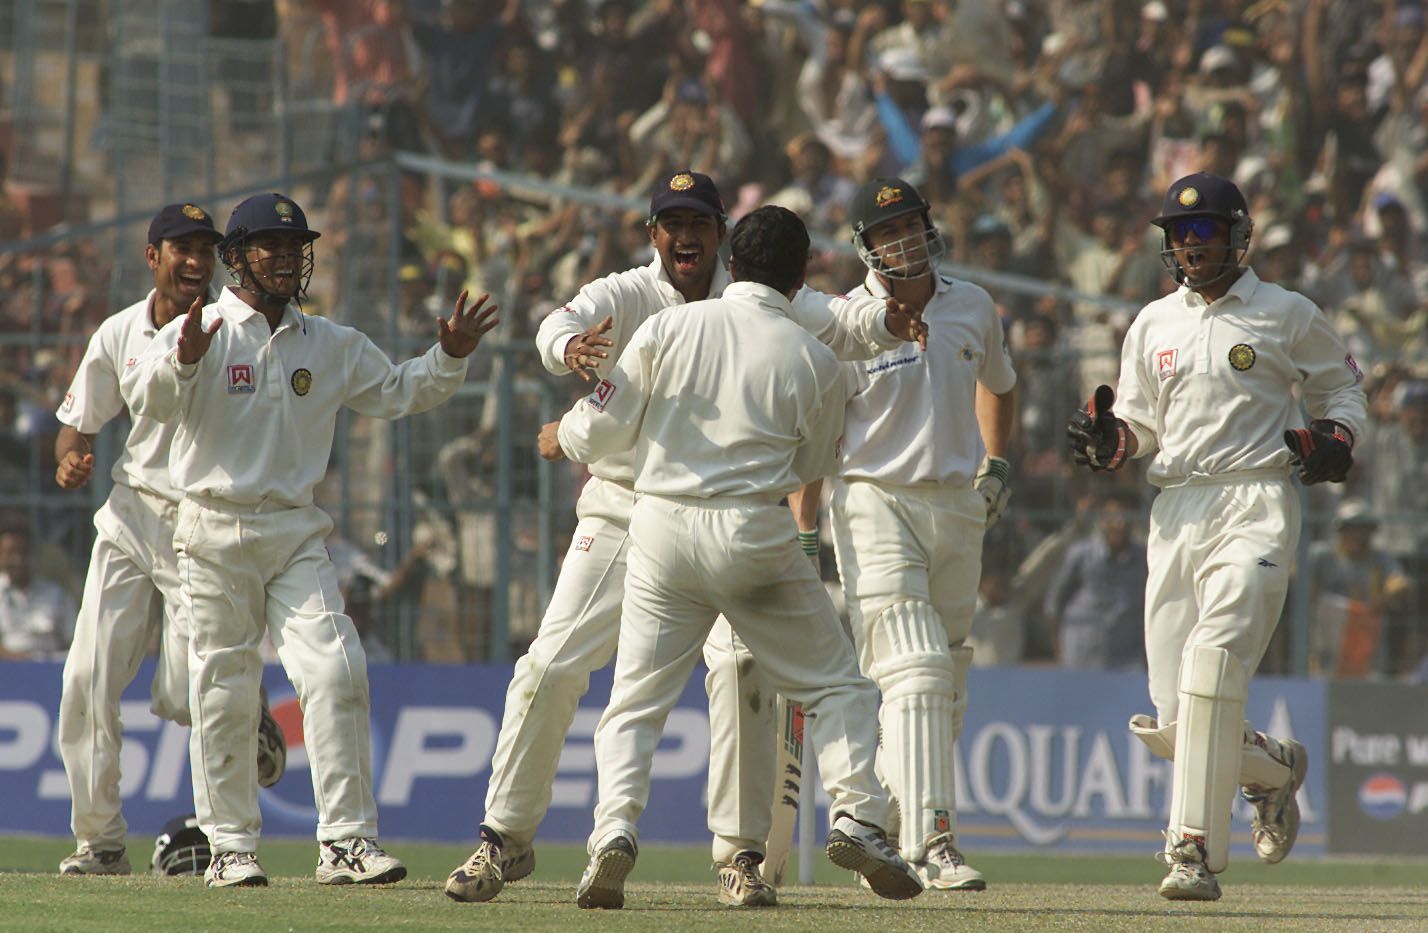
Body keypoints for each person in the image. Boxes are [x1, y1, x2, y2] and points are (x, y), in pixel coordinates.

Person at [445, 170, 927, 908]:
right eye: (671, 223)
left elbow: (848, 320)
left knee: (734, 676)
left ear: (726, 241)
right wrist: (570, 346)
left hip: (674, 519)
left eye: (699, 221)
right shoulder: (629, 296)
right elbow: (552, 329)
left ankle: (737, 855)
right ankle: (502, 839)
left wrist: (893, 323)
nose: (685, 235)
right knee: (549, 664)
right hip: (624, 507)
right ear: (653, 234)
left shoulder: (777, 308)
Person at [120, 193, 499, 888]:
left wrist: (447, 356)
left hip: (294, 528)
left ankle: (347, 842)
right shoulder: (200, 327)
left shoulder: (328, 342)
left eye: (296, 247)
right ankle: (231, 847)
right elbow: (145, 400)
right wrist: (182, 356)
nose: (289, 258)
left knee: (336, 670)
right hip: (209, 526)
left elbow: (399, 390)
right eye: (272, 246)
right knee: (225, 688)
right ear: (236, 258)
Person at [1066, 172, 1368, 901]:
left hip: (1257, 501)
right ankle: (1272, 768)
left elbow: (1343, 388)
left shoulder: (1286, 312)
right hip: (1175, 511)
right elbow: (1140, 428)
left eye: (1204, 232)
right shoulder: (1152, 323)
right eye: (1178, 233)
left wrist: (1337, 435)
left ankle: (1191, 851)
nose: (1191, 245)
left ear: (1240, 236)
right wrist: (1111, 441)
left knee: (1212, 660)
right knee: (1177, 719)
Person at [789, 176, 1016, 891]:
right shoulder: (846, 321)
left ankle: (879, 828)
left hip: (957, 505)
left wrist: (997, 466)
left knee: (942, 682)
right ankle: (933, 842)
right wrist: (803, 525)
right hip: (872, 501)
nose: (904, 242)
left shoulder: (972, 305)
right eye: (887, 234)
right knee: (915, 668)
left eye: (912, 227)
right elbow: (819, 433)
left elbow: (1001, 384)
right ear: (865, 247)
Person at [53, 203, 287, 877]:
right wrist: (71, 457)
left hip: (199, 523)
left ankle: (251, 717)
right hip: (130, 517)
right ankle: (99, 841)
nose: (195, 261)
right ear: (151, 255)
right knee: (87, 679)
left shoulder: (235, 328)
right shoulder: (119, 331)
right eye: (181, 248)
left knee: (192, 695)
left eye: (205, 251)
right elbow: (79, 420)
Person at [1042, 491, 1147, 670]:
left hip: (1126, 659)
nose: (1119, 523)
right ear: (1103, 519)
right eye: (1113, 516)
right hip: (1080, 655)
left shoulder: (1144, 558)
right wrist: (1060, 651)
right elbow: (1054, 603)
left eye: (1125, 516)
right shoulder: (1081, 554)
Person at [0, 523, 76, 659]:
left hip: (50, 669)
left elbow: (74, 641)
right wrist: (23, 658)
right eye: (10, 553)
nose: (17, 560)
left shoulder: (56, 595)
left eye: (23, 552)